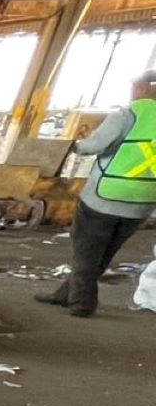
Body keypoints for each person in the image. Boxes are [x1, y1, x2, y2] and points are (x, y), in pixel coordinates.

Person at [38, 70, 156, 317]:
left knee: (86, 252)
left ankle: (82, 303)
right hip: (143, 201)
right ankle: (65, 294)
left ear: (145, 88)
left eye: (135, 85)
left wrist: (75, 147)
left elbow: (94, 145)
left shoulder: (129, 114)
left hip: (105, 197)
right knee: (103, 252)